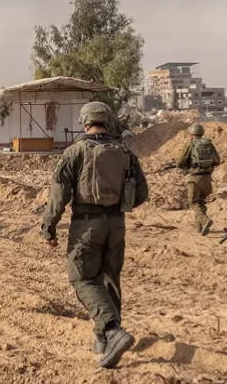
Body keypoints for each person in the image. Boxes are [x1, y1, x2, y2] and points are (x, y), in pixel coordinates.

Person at [41, 101, 149, 369]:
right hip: (117, 224)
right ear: (108, 121)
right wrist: (118, 207)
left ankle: (113, 331)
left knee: (83, 279)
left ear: (84, 121)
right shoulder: (125, 152)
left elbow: (58, 195)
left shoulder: (74, 152)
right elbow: (143, 193)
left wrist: (49, 227)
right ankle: (103, 341)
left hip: (86, 226)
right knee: (110, 279)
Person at [175, 123, 221, 235]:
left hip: (195, 179)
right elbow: (217, 161)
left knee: (194, 203)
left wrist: (184, 168)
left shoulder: (190, 145)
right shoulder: (209, 145)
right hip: (207, 179)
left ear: (191, 134)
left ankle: (205, 220)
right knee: (201, 203)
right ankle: (198, 228)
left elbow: (180, 162)